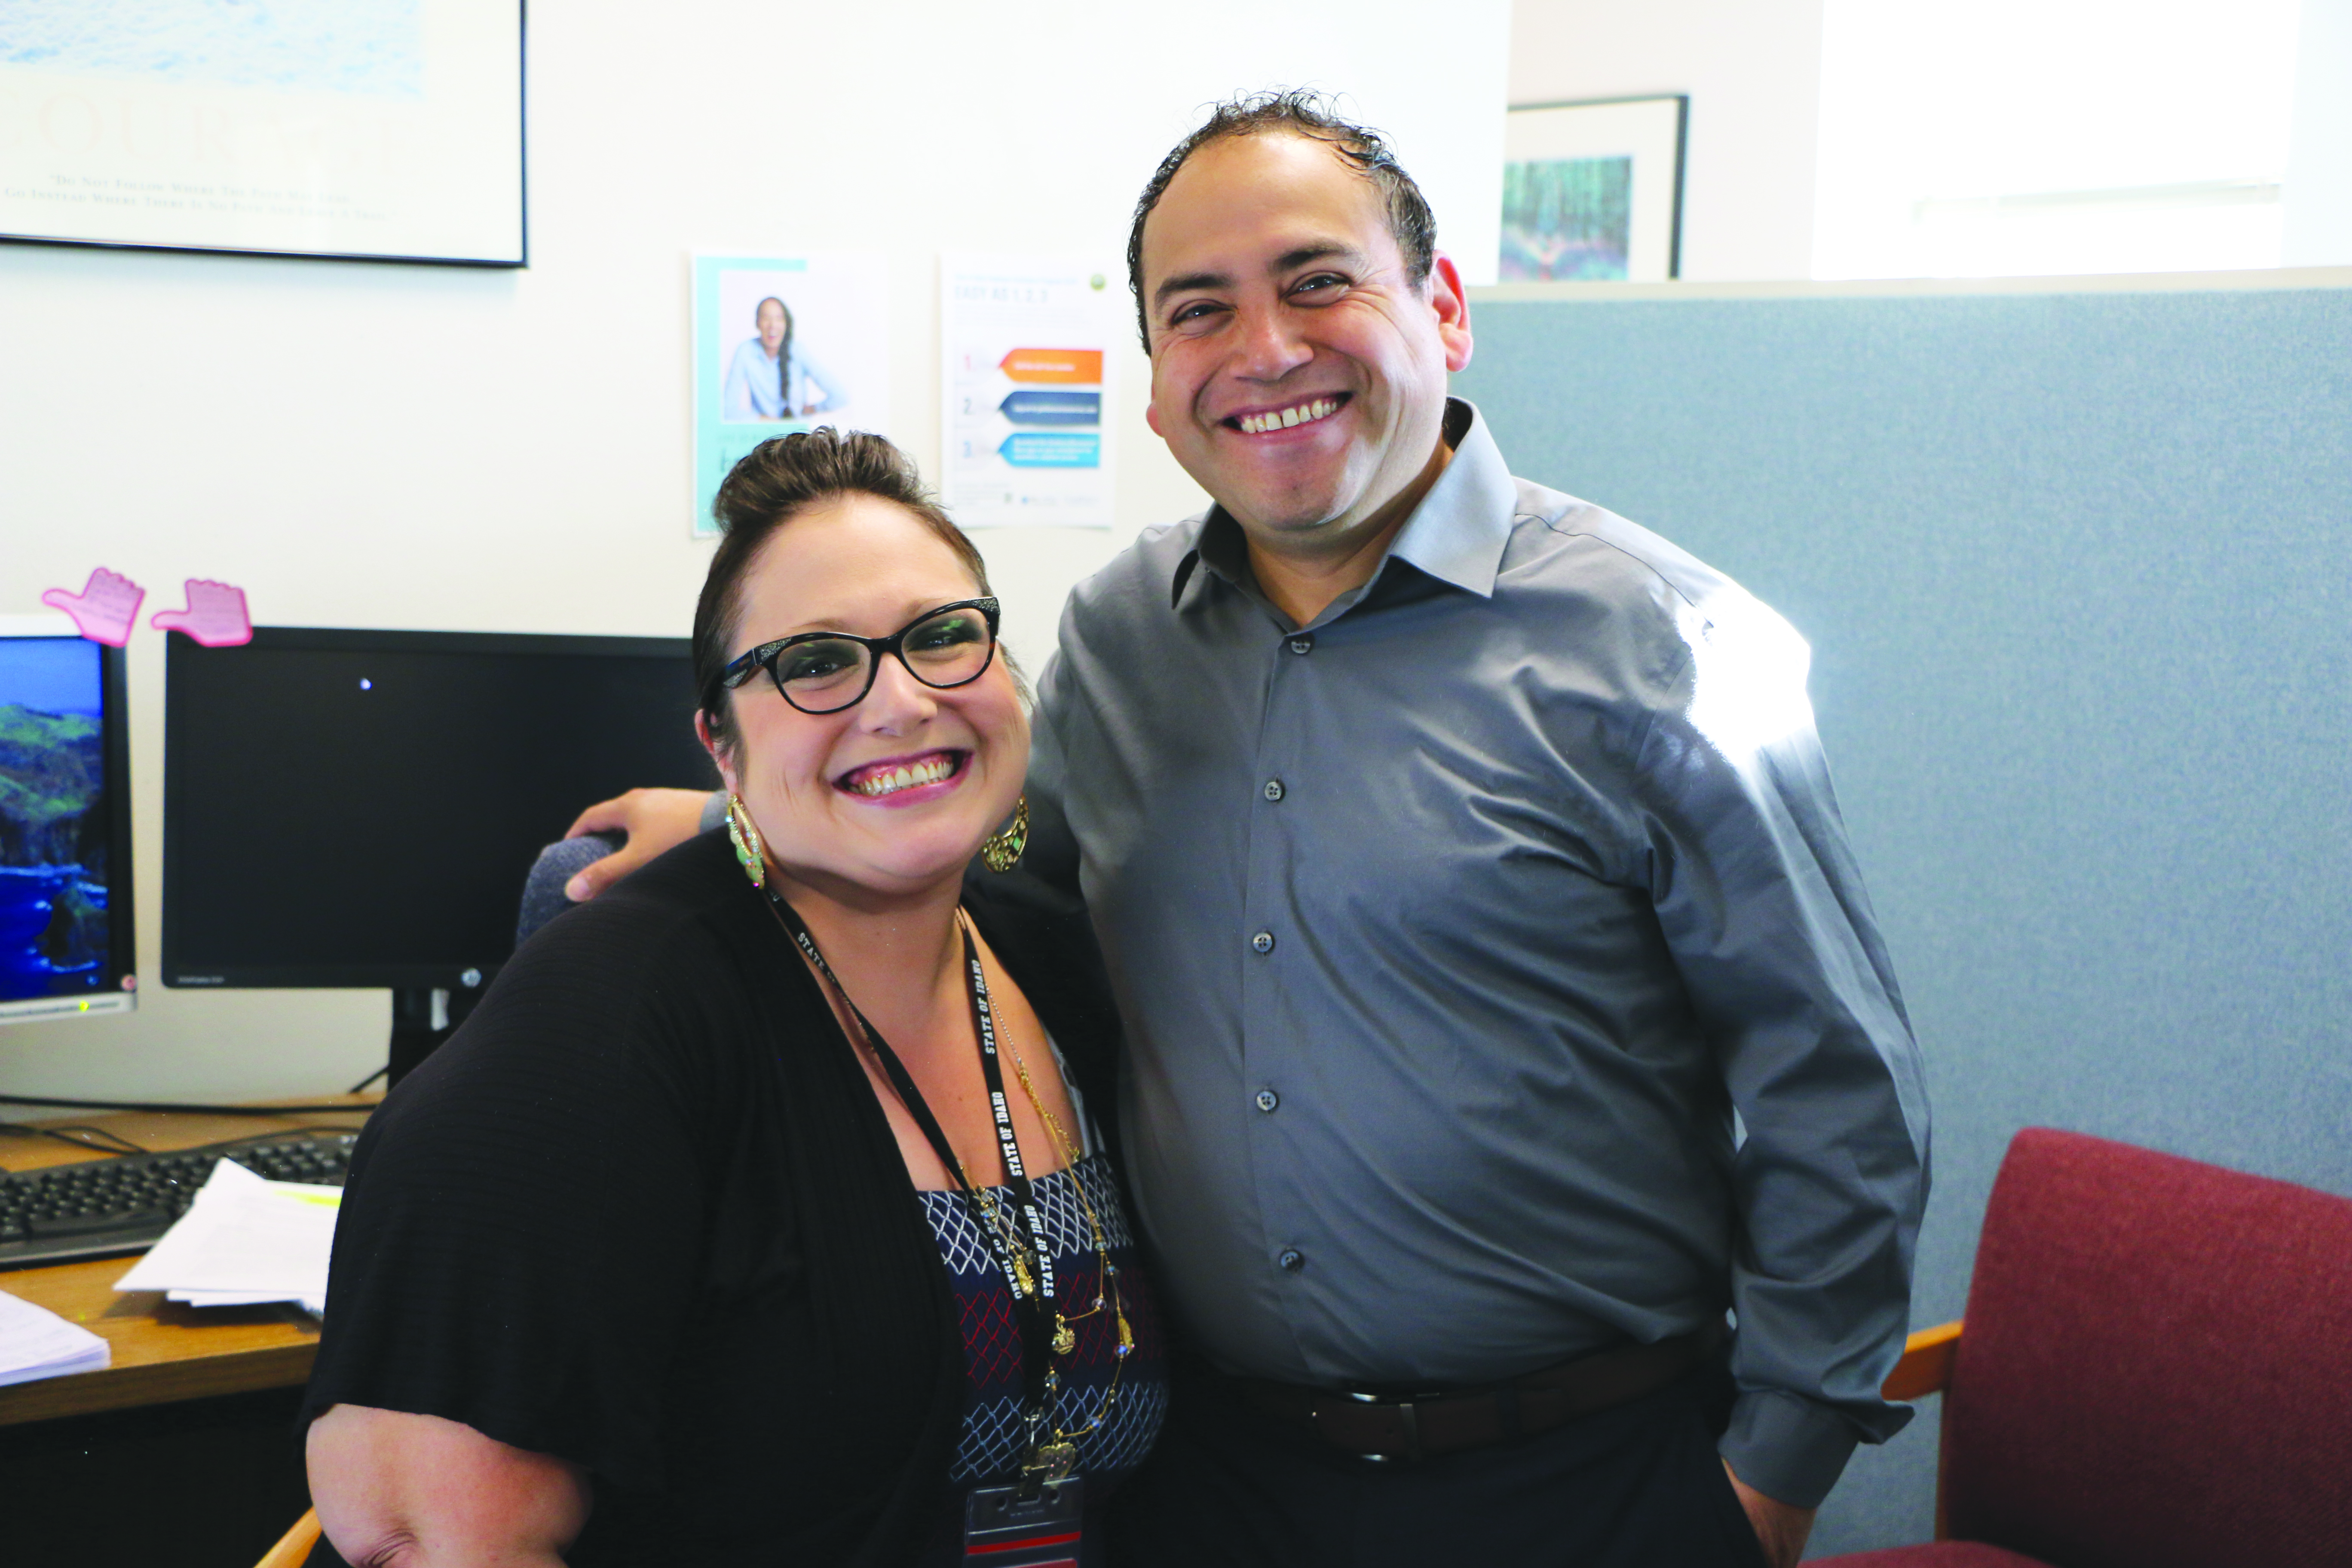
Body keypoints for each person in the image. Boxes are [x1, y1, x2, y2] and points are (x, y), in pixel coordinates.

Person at [566, 90, 1930, 1568]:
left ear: (1444, 307)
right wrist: (753, 820)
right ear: (1158, 389)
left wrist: (1768, 1475)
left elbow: (1838, 1087)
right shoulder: (1121, 635)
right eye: (1200, 309)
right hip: (1216, 1480)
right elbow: (1006, 884)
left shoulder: (1668, 642)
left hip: (1584, 1478)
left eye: (1317, 280)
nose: (1266, 349)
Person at [303, 429, 1166, 1567]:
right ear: (721, 743)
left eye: (942, 636)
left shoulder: (1054, 954)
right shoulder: (600, 1029)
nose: (903, 701)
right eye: (817, 662)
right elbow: (427, 1535)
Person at [723, 294, 842, 420]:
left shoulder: (797, 351)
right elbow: (727, 410)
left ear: (786, 324)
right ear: (757, 323)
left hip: (798, 430)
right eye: (766, 318)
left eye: (779, 318)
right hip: (763, 431)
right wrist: (768, 422)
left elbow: (840, 396)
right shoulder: (746, 351)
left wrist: (812, 409)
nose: (773, 325)